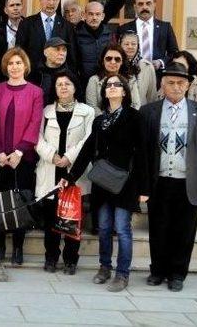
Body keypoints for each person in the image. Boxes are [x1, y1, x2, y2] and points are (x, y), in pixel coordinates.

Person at [60, 74, 145, 292]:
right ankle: (104, 267)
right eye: (109, 85)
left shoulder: (135, 117)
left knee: (122, 229)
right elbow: (87, 150)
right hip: (102, 182)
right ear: (104, 92)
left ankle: (122, 274)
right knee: (105, 227)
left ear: (125, 91)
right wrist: (70, 177)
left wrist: (144, 187)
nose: (113, 87)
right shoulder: (99, 120)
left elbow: (144, 153)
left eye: (117, 85)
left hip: (125, 183)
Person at [139, 62, 197, 292]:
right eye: (170, 82)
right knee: (158, 228)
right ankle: (157, 271)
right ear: (162, 84)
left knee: (184, 231)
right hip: (159, 180)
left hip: (188, 182)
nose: (175, 87)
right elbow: (142, 152)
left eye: (180, 83)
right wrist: (142, 186)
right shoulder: (149, 111)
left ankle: (178, 274)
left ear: (188, 85)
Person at [0, 47, 43, 265]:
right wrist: (0, 151)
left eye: (18, 63)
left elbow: (35, 122)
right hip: (0, 156)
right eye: (11, 63)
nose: (14, 67)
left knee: (20, 202)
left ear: (25, 66)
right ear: (5, 67)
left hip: (24, 157)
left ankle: (18, 249)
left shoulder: (35, 92)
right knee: (0, 201)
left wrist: (20, 151)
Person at [36, 70, 94, 274]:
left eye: (67, 83)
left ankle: (71, 259)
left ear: (75, 87)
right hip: (50, 170)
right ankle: (51, 258)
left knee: (72, 218)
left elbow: (88, 140)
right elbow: (37, 138)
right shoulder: (46, 111)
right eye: (59, 84)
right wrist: (52, 156)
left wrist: (68, 157)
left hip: (74, 172)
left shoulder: (87, 111)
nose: (63, 87)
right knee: (51, 219)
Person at [15, 0, 77, 73]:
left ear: (59, 1)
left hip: (59, 77)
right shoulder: (26, 24)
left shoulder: (68, 26)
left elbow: (72, 56)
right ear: (40, 0)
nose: (51, 3)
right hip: (33, 76)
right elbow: (19, 52)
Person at [117, 0, 179, 71]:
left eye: (148, 3)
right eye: (140, 4)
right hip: (131, 75)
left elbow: (174, 53)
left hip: (157, 76)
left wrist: (161, 62)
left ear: (154, 5)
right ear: (135, 7)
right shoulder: (123, 29)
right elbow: (118, 53)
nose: (144, 7)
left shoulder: (165, 27)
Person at [86, 44, 141, 116]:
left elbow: (136, 104)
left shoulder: (130, 80)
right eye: (109, 58)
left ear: (122, 62)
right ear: (103, 61)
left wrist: (122, 119)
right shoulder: (94, 80)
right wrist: (107, 121)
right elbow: (92, 106)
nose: (113, 62)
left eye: (117, 59)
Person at [30, 37, 81, 105]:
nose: (62, 53)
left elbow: (79, 98)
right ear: (45, 53)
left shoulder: (71, 73)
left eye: (64, 50)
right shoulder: (35, 73)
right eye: (57, 49)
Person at [75, 2, 114, 87]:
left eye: (97, 14)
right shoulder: (76, 35)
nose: (94, 17)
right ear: (84, 15)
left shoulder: (110, 35)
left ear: (102, 16)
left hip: (106, 81)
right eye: (90, 14)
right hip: (83, 83)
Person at [120, 32, 157, 105]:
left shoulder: (147, 66)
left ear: (138, 46)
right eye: (126, 44)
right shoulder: (116, 64)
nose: (130, 47)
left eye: (133, 44)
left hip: (141, 112)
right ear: (120, 46)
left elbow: (151, 95)